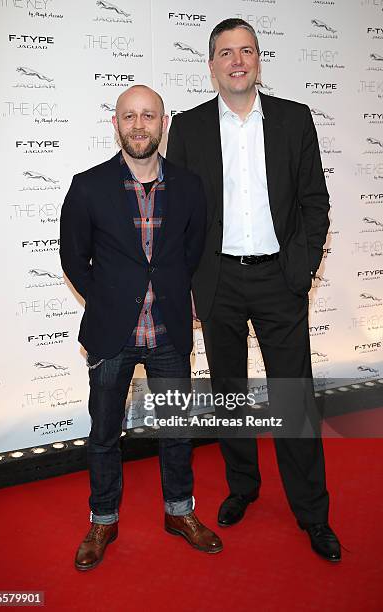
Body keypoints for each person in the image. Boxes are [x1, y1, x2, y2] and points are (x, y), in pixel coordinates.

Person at [167, 18, 341, 562]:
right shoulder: (190, 128)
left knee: (294, 398)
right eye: (225, 53)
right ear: (212, 64)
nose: (237, 60)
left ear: (259, 60)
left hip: (278, 280)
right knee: (230, 395)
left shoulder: (294, 119)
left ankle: (313, 513)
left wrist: (302, 270)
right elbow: (179, 216)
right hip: (216, 280)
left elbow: (315, 201)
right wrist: (189, 283)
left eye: (246, 51)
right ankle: (243, 486)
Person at [60, 84, 223, 571]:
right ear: (115, 124)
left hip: (169, 333)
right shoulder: (87, 185)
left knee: (175, 430)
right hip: (112, 337)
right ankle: (103, 519)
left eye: (148, 115)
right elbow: (74, 258)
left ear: (163, 123)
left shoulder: (190, 186)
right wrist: (109, 300)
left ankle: (179, 513)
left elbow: (191, 254)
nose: (138, 124)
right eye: (128, 116)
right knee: (105, 434)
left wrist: (171, 294)